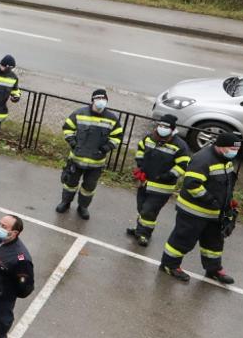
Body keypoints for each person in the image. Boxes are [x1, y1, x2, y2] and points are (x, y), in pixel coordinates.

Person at [159, 130, 240, 284]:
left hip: (215, 213)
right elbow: (192, 184)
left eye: (236, 149)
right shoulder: (203, 160)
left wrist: (227, 202)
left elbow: (226, 184)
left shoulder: (225, 159)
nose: (234, 152)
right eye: (232, 149)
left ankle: (213, 269)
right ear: (221, 146)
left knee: (214, 243)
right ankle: (169, 265)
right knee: (183, 239)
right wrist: (211, 201)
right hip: (194, 211)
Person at [55, 88, 124, 221]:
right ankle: (66, 202)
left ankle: (83, 207)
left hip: (96, 163)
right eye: (98, 99)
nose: (101, 102)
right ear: (92, 100)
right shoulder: (79, 113)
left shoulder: (112, 119)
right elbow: (68, 128)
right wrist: (72, 141)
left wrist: (107, 148)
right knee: (70, 183)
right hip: (76, 159)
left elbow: (117, 136)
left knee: (89, 187)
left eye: (104, 99)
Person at [127, 116, 187, 247]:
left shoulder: (180, 146)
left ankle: (144, 234)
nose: (162, 129)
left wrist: (169, 175)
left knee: (149, 211)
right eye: (161, 126)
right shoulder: (149, 138)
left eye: (166, 127)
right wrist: (140, 164)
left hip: (162, 187)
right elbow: (140, 150)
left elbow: (183, 165)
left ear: (172, 129)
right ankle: (139, 229)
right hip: (145, 183)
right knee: (141, 208)